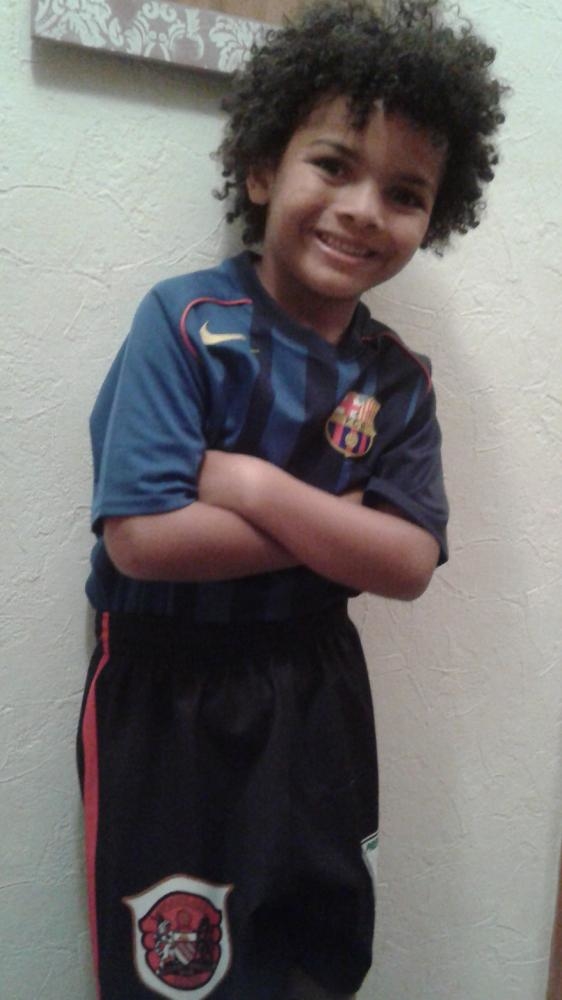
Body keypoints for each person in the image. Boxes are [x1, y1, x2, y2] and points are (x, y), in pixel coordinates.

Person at [77, 2, 507, 998]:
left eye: (404, 193)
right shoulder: (184, 322)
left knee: (315, 949)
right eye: (334, 165)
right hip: (168, 688)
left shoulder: (396, 378)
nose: (363, 209)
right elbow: (144, 538)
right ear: (263, 169)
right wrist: (341, 522)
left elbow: (407, 563)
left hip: (318, 689)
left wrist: (252, 483)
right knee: (176, 964)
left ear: (433, 218)